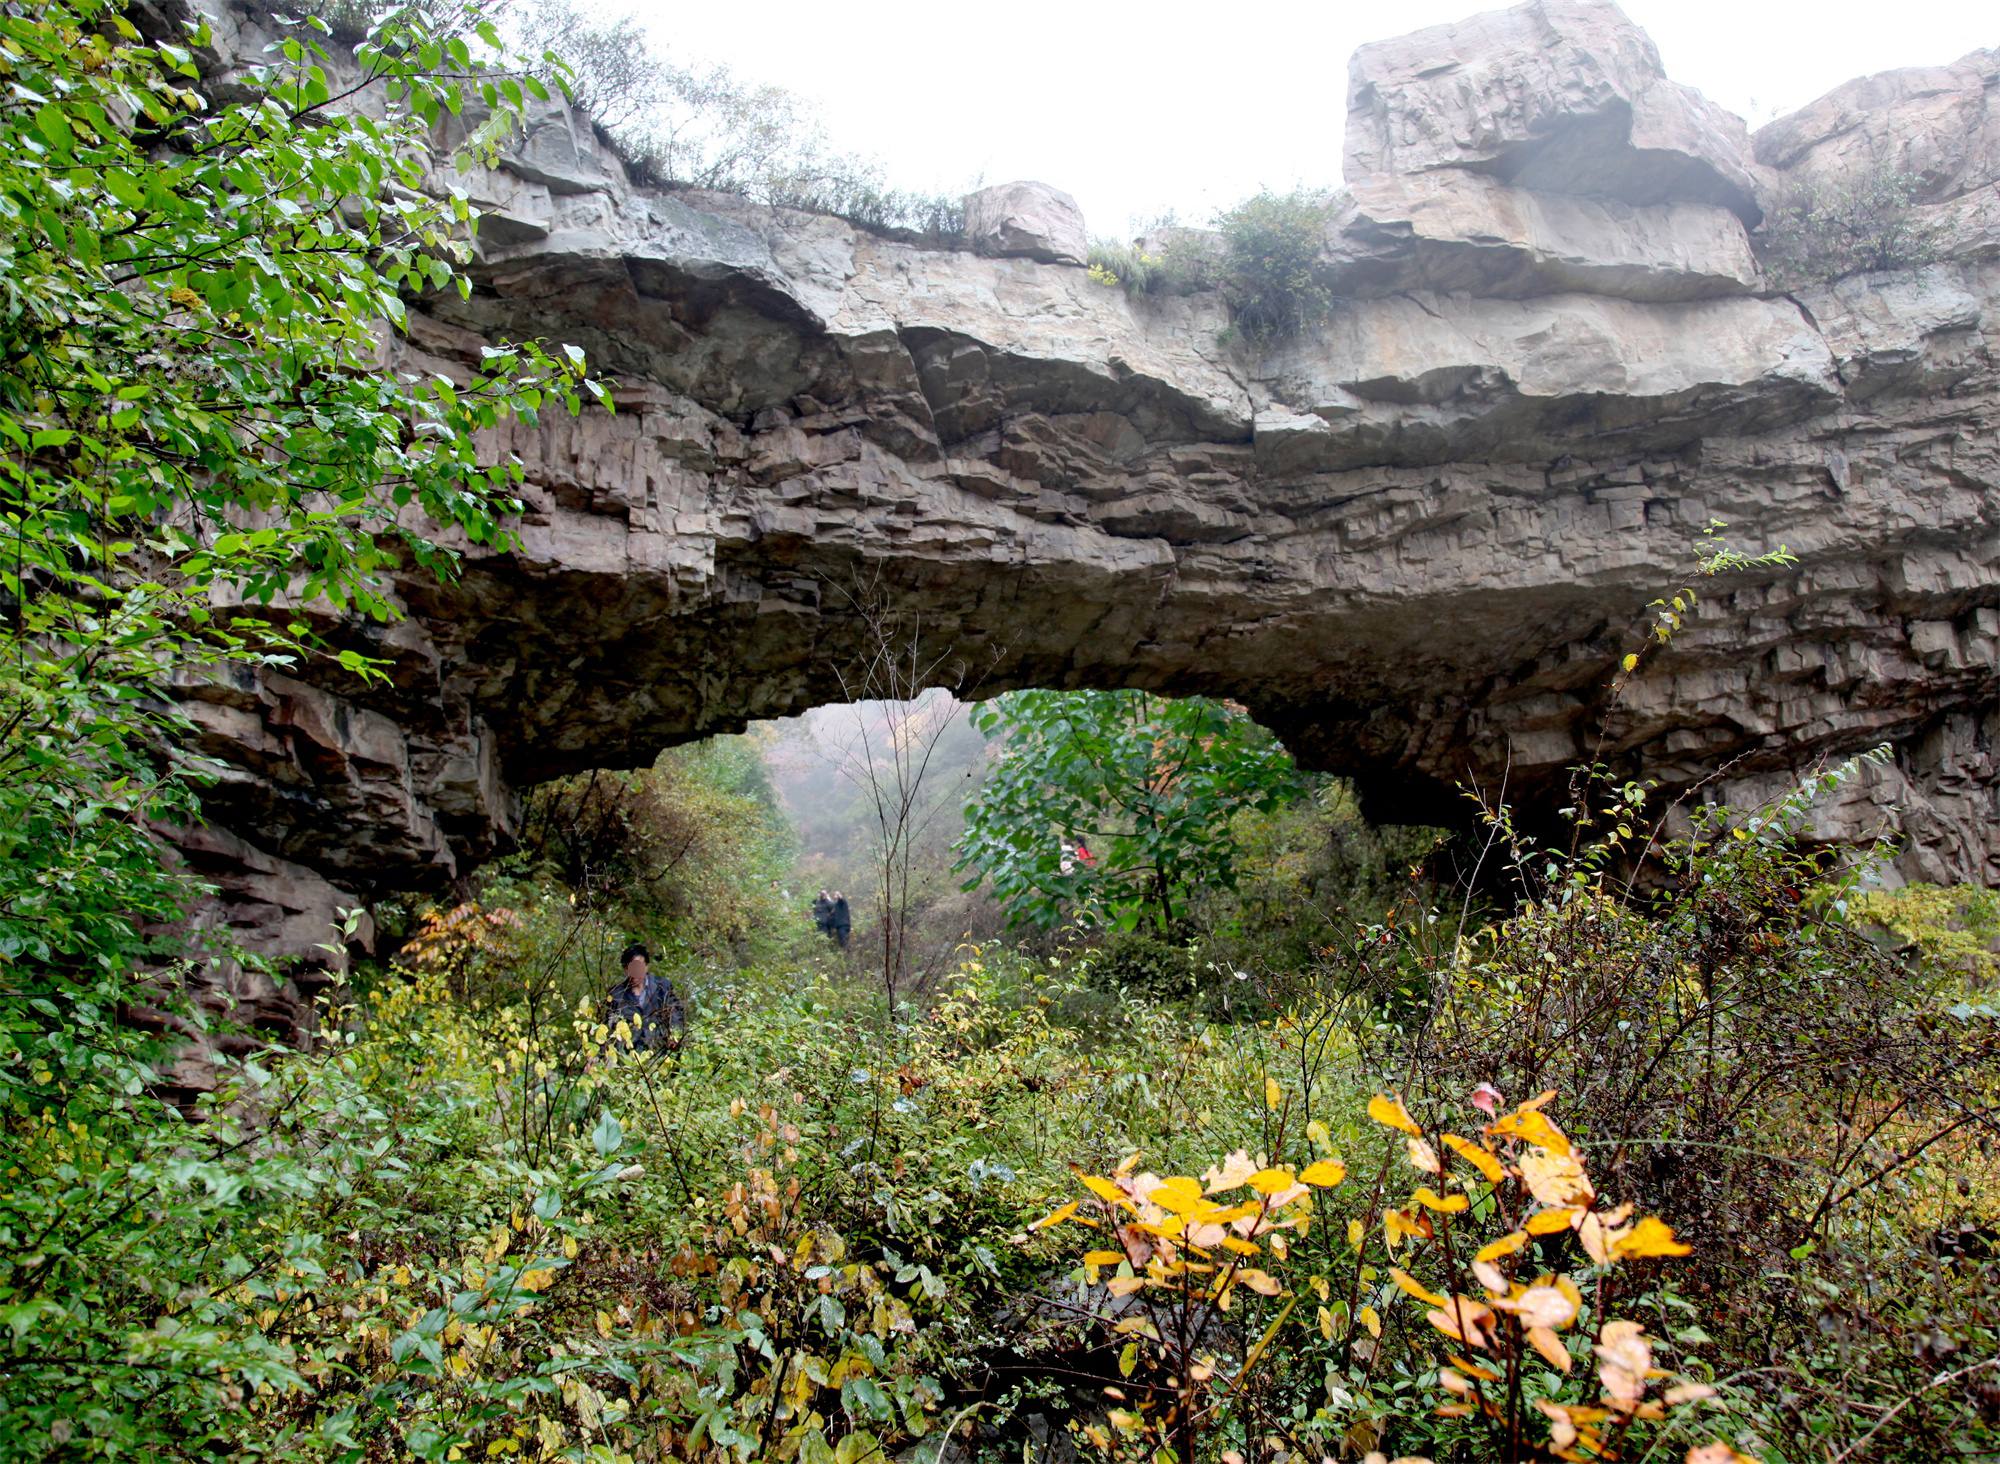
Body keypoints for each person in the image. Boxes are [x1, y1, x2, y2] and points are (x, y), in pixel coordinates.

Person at [605, 942, 681, 1051]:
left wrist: (674, 1035)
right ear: (625, 969)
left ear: (646, 966)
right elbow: (607, 1027)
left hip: (658, 1050)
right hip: (628, 1054)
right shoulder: (616, 994)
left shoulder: (662, 987)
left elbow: (676, 1013)